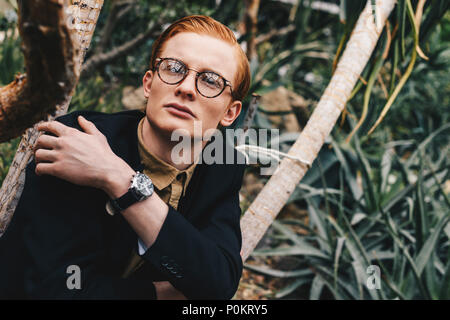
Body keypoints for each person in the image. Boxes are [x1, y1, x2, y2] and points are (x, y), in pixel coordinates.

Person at [0, 15, 250, 299]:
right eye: (173, 68)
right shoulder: (80, 141)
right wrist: (163, 294)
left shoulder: (223, 164)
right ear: (148, 83)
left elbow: (218, 284)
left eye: (210, 80)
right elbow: (56, 289)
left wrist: (119, 179)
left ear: (230, 113)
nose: (185, 88)